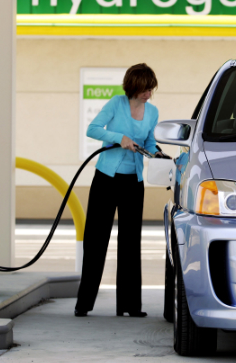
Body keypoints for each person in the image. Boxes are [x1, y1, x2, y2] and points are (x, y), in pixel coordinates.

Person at [74, 63, 161, 317]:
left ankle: (130, 306)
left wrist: (158, 154)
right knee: (96, 239)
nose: (149, 94)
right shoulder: (116, 104)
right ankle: (84, 303)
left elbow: (150, 141)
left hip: (133, 182)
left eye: (151, 89)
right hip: (106, 180)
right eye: (145, 89)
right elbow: (93, 129)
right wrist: (118, 138)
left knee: (131, 243)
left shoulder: (152, 112)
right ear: (134, 86)